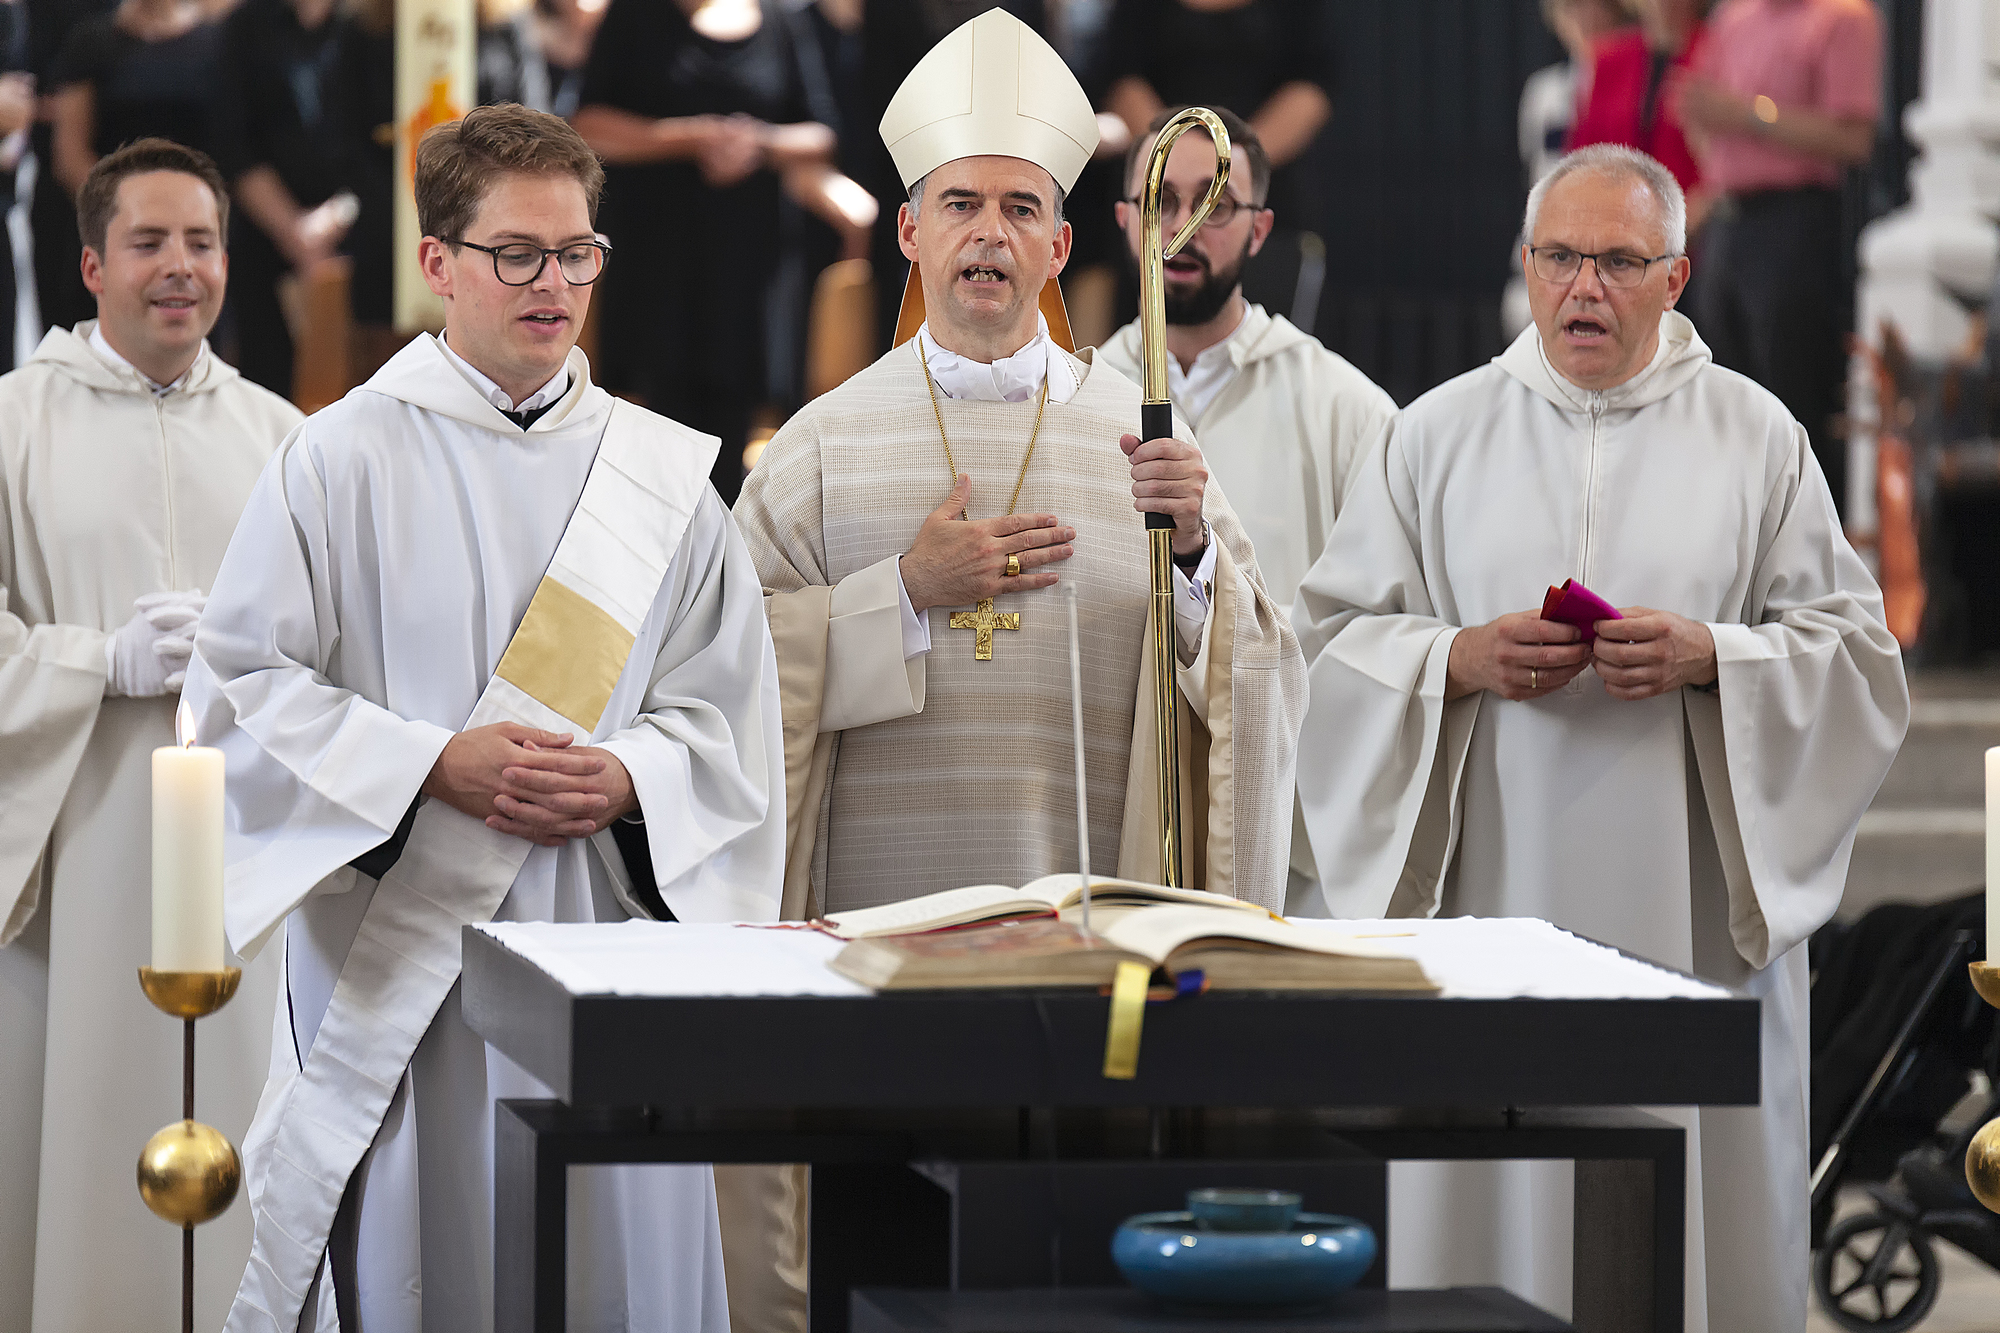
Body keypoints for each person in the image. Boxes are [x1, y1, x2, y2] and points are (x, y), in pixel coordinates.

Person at [183, 103, 785, 1333]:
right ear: (438, 262)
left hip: (606, 957)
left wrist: (629, 780)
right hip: (412, 974)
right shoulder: (335, 459)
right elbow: (237, 693)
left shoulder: (663, 480)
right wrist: (424, 767)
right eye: (517, 252)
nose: (553, 282)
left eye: (576, 253)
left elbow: (728, 720)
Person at [1290, 143, 1908, 1330]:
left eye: (1618, 262)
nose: (1585, 287)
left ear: (1674, 277)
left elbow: (1856, 663)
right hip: (1492, 905)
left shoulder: (1756, 438)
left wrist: (1714, 658)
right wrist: (1453, 658)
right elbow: (1323, 655)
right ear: (1524, 265)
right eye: (1560, 258)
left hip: (1689, 931)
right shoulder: (1435, 433)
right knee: (1498, 1214)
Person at [0, 137, 300, 1333]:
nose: (180, 267)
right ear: (89, 264)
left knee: (242, 1161)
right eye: (148, 242)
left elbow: (339, 656)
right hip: (74, 852)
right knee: (80, 1145)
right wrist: (92, 662)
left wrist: (259, 667)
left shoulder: (284, 438)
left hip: (241, 861)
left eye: (203, 242)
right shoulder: (14, 423)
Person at [1096, 105, 1394, 915]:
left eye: (1215, 204)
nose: (1183, 226)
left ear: (1260, 231)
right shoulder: (1075, 395)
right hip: (1114, 814)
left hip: (1284, 825)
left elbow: (1386, 628)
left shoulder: (1347, 410)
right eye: (1160, 200)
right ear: (1124, 220)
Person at [572, 0, 854, 504]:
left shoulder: (781, 22)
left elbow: (822, 133)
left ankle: (723, 566)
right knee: (649, 436)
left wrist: (756, 143)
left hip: (748, 273)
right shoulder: (634, 17)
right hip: (657, 269)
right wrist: (687, 138)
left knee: (734, 429)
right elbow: (588, 126)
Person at [1675, 0, 1881, 518]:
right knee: (1723, 396)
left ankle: (1807, 554)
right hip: (1729, 219)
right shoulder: (1733, 18)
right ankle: (1737, 548)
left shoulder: (1842, 19)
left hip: (1795, 220)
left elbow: (1853, 139)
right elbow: (1701, 107)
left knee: (1791, 399)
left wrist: (1748, 117)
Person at [213, 0, 367, 395]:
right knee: (267, 382)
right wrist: (294, 232)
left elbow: (378, 144)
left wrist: (332, 219)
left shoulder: (364, 26)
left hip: (355, 234)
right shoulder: (243, 26)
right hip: (264, 237)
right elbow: (234, 144)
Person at [1504, 0, 1636, 338]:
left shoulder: (1639, 80)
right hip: (1552, 232)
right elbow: (1534, 167)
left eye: (1591, 6)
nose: (1580, 17)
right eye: (1569, 7)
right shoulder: (1545, 90)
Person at [1566, 0, 1710, 207]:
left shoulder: (1715, 50)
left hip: (1690, 217)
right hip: (1616, 214)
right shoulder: (1608, 58)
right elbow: (1584, 153)